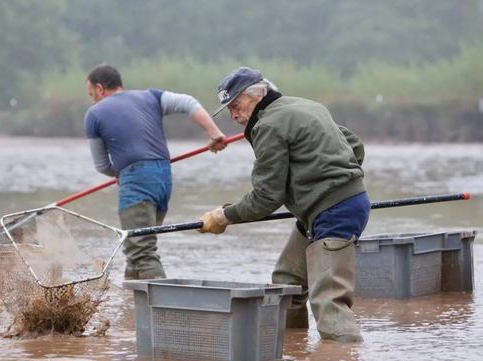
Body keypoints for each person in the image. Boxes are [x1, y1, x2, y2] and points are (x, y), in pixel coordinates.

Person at [198, 66, 370, 343]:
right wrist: (328, 182)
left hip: (335, 213)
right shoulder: (306, 105)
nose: (235, 116)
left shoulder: (267, 126)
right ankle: (293, 349)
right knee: (287, 280)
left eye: (236, 107)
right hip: (326, 210)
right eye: (229, 111)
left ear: (256, 96)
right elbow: (355, 146)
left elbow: (266, 197)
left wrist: (224, 216)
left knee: (329, 301)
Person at [84, 64, 227, 280]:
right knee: (136, 250)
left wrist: (119, 174)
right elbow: (189, 103)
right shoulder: (150, 97)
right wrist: (214, 133)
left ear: (100, 88)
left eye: (92, 94)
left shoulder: (94, 114)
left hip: (136, 183)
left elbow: (102, 165)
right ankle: (130, 307)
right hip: (163, 179)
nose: (93, 99)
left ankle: (163, 309)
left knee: (142, 252)